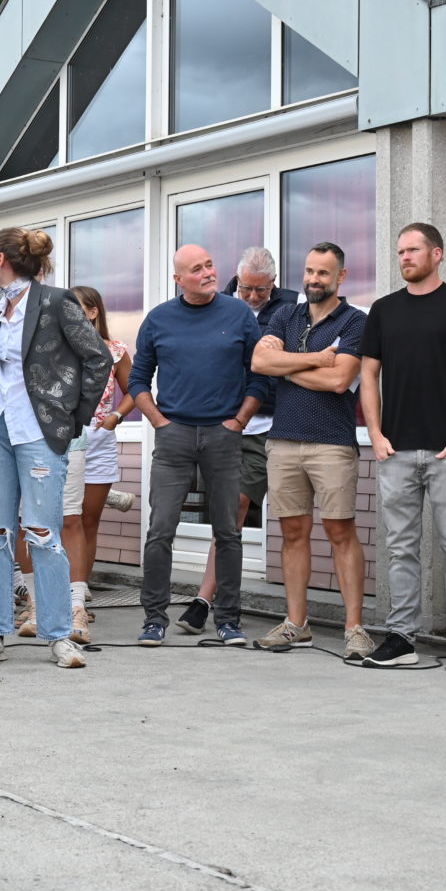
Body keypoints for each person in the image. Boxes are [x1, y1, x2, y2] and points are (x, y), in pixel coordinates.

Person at [0, 228, 111, 670]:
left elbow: (98, 357)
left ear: (2, 259)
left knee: (43, 534)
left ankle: (58, 635)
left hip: (40, 430)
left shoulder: (55, 300)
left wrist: (74, 415)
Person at [357, 225, 446, 669]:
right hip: (395, 451)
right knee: (400, 547)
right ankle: (401, 638)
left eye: (413, 250)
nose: (405, 258)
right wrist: (376, 435)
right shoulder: (384, 310)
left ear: (437, 254)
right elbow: (368, 375)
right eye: (400, 251)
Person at [130, 244, 263, 647]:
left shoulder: (239, 314)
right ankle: (154, 619)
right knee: (160, 530)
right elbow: (137, 379)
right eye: (196, 269)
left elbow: (259, 375)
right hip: (175, 436)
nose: (207, 273)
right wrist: (159, 422)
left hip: (224, 436)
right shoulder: (159, 319)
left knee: (228, 532)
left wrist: (239, 421)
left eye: (209, 265)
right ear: (178, 280)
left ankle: (228, 620)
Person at [252, 242, 373, 658]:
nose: (313, 279)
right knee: (292, 532)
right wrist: (316, 359)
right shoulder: (285, 315)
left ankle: (354, 628)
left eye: (323, 273)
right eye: (309, 271)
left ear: (341, 277)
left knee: (341, 532)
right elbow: (260, 363)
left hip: (332, 443)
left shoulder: (355, 321)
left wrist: (288, 367)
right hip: (283, 440)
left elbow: (339, 382)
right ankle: (296, 624)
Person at [177, 247, 287, 634]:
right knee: (226, 515)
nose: (253, 297)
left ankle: (209, 600)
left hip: (265, 424)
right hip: (222, 423)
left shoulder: (290, 309)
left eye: (262, 290)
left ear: (274, 283)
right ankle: (209, 601)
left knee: (237, 507)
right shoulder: (217, 304)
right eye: (246, 289)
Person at [62, 286, 136, 643]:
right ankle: (58, 593)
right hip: (65, 436)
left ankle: (80, 591)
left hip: (100, 438)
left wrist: (116, 417)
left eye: (77, 308)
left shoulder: (116, 350)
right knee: (66, 518)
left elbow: (135, 389)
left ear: (93, 311)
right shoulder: (59, 347)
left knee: (88, 520)